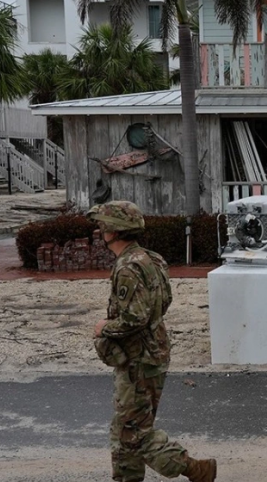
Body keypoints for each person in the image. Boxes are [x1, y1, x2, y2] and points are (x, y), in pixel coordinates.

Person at [89, 201, 217, 482]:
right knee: (126, 426)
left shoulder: (128, 268)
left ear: (114, 230)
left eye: (103, 225)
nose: (100, 229)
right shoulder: (151, 259)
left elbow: (135, 318)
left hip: (139, 359)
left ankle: (194, 469)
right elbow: (163, 302)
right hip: (150, 353)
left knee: (133, 433)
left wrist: (104, 328)